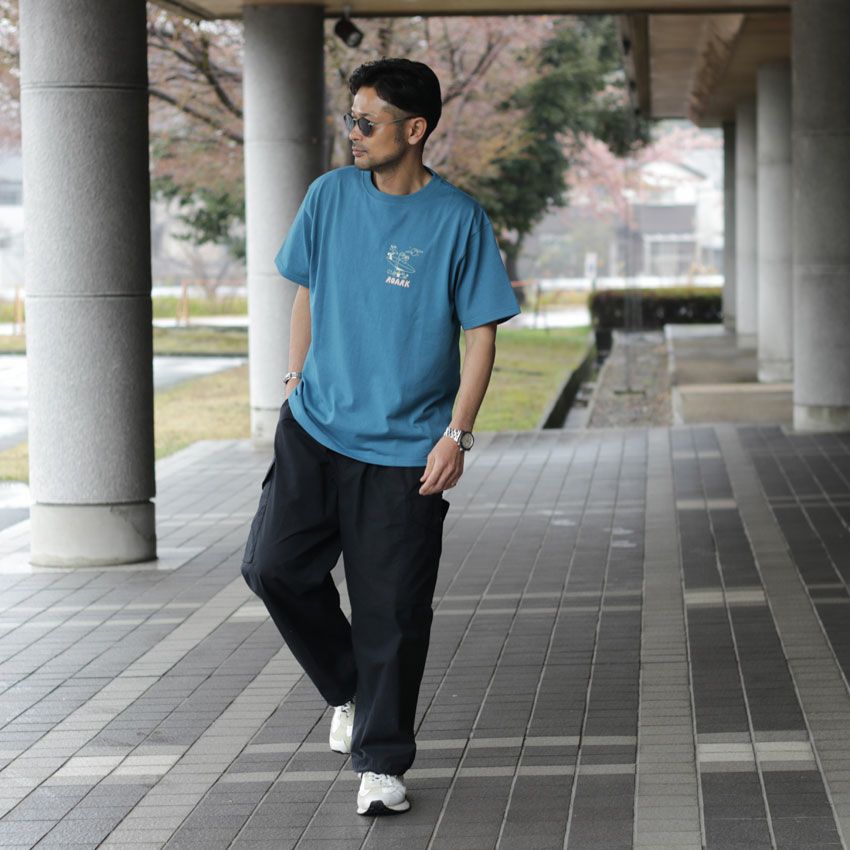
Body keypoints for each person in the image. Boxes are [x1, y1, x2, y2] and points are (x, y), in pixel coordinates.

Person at [240, 57, 520, 816]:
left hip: (406, 452)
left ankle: (383, 763)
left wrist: (457, 435)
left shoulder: (459, 219)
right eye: (352, 119)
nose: (354, 133)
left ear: (415, 129)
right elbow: (306, 292)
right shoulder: (329, 195)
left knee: (392, 613)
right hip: (315, 429)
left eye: (367, 122)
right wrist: (294, 383)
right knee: (272, 568)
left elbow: (482, 335)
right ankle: (349, 688)